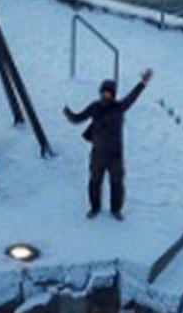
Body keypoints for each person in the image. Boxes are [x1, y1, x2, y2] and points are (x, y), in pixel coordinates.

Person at [63, 68, 153, 219]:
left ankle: (116, 209)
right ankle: (95, 207)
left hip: (115, 154)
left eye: (110, 92)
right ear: (100, 92)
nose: (107, 95)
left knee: (117, 183)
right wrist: (69, 114)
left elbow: (132, 97)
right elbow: (79, 118)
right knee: (94, 182)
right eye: (104, 92)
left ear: (114, 94)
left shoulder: (119, 107)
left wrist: (142, 83)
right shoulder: (95, 107)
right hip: (97, 153)